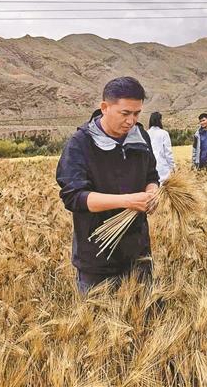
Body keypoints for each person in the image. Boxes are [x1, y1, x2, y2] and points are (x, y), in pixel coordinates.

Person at [56, 77, 160, 295]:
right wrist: (127, 201)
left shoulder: (141, 137)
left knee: (144, 312)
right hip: (96, 255)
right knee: (97, 316)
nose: (131, 121)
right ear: (104, 107)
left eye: (137, 114)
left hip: (137, 252)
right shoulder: (80, 144)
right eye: (125, 113)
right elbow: (74, 196)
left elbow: (151, 175)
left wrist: (152, 192)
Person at [147, 112, 175, 184]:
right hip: (162, 166)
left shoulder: (146, 133)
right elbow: (168, 152)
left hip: (149, 166)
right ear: (160, 120)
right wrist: (172, 166)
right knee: (164, 187)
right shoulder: (164, 133)